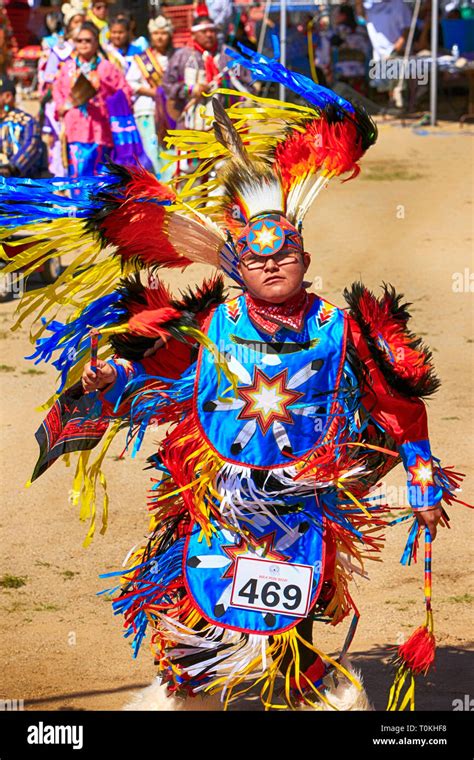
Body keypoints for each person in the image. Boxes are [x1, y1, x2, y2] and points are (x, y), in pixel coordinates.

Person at [0, 48, 468, 713]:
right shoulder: (206, 326)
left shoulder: (343, 329)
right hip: (216, 504)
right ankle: (186, 686)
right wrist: (108, 377)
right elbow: (147, 372)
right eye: (257, 254)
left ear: (305, 255)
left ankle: (299, 678)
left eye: (285, 252)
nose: (273, 264)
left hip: (300, 514)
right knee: (192, 638)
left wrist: (421, 477)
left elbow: (401, 412)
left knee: (290, 632)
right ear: (235, 263)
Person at [52, 21, 132, 179]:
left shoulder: (106, 67)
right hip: (75, 128)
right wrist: (62, 107)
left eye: (88, 40)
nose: (83, 44)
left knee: (99, 177)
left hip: (101, 129)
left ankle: (95, 204)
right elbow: (58, 90)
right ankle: (79, 203)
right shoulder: (67, 68)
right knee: (78, 174)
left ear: (97, 43)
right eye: (79, 40)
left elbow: (125, 90)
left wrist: (109, 102)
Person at [163, 3, 250, 132]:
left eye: (212, 31)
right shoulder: (182, 56)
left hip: (225, 126)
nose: (209, 35)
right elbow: (167, 85)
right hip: (190, 126)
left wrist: (231, 93)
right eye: (204, 31)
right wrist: (191, 89)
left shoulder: (229, 55)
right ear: (193, 35)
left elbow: (247, 84)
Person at [39, 0, 86, 176]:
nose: (79, 25)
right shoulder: (60, 50)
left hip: (85, 106)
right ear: (68, 25)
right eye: (75, 22)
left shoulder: (92, 49)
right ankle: (63, 189)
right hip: (62, 104)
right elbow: (48, 78)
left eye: (82, 21)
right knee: (62, 144)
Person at [126, 15, 175, 177]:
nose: (159, 37)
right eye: (156, 33)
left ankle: (172, 188)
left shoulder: (176, 57)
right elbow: (130, 83)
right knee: (152, 150)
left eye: (163, 33)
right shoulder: (142, 59)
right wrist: (154, 92)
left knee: (171, 150)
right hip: (147, 110)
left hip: (171, 111)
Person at [0, 75, 44, 178]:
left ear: (8, 97)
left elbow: (31, 146)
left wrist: (11, 168)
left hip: (20, 184)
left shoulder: (26, 122)